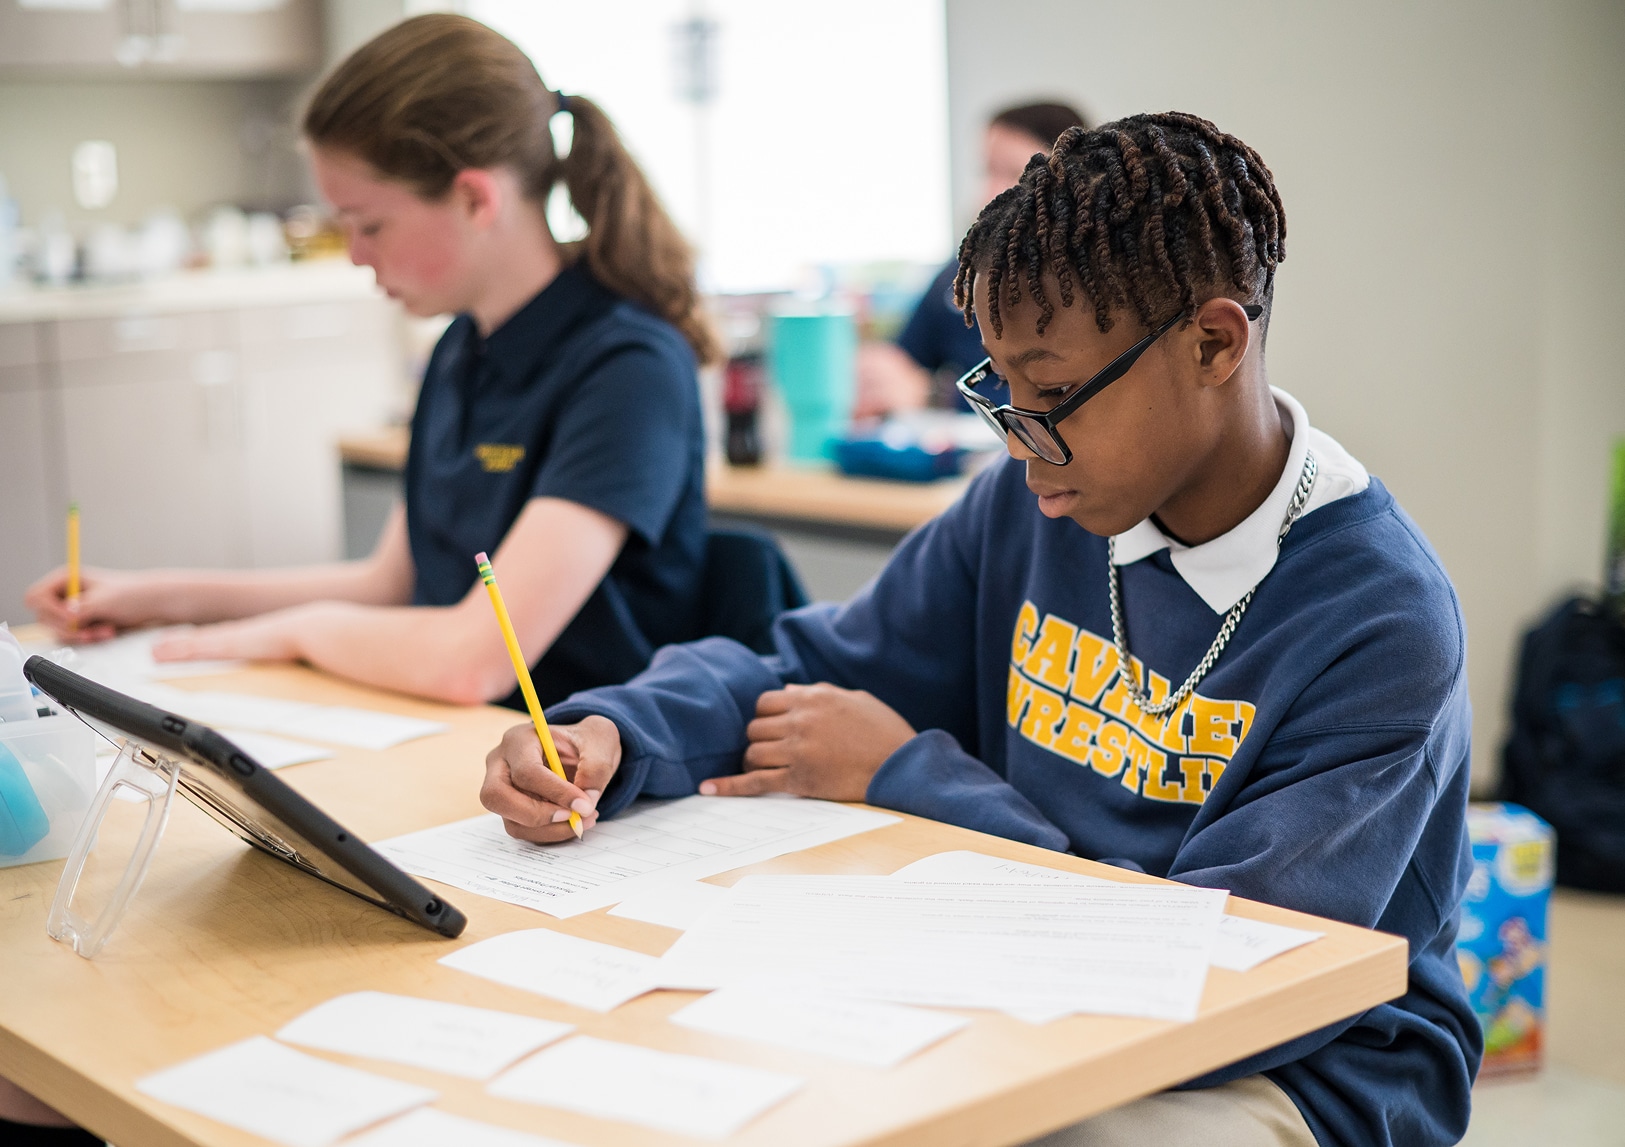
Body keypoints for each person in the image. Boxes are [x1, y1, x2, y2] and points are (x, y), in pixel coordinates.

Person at [479, 112, 1481, 1143]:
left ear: (1213, 343)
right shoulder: (1040, 501)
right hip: (1023, 981)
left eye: (1049, 395)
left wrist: (909, 774)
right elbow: (807, 669)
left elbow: (1218, 967)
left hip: (1291, 1065)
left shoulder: (1376, 617)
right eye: (997, 391)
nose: (1018, 443)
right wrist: (611, 734)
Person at [24, 14, 717, 712]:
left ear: (476, 197)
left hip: (583, 773)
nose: (354, 254)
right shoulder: (462, 347)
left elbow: (472, 660)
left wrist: (286, 633)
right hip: (456, 739)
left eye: (370, 224)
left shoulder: (628, 367)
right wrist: (162, 600)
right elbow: (388, 583)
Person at [855, 100, 1088, 417]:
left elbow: (1059, 402)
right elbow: (902, 364)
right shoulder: (961, 273)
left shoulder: (1087, 289)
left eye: (1013, 172)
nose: (992, 191)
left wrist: (935, 395)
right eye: (987, 171)